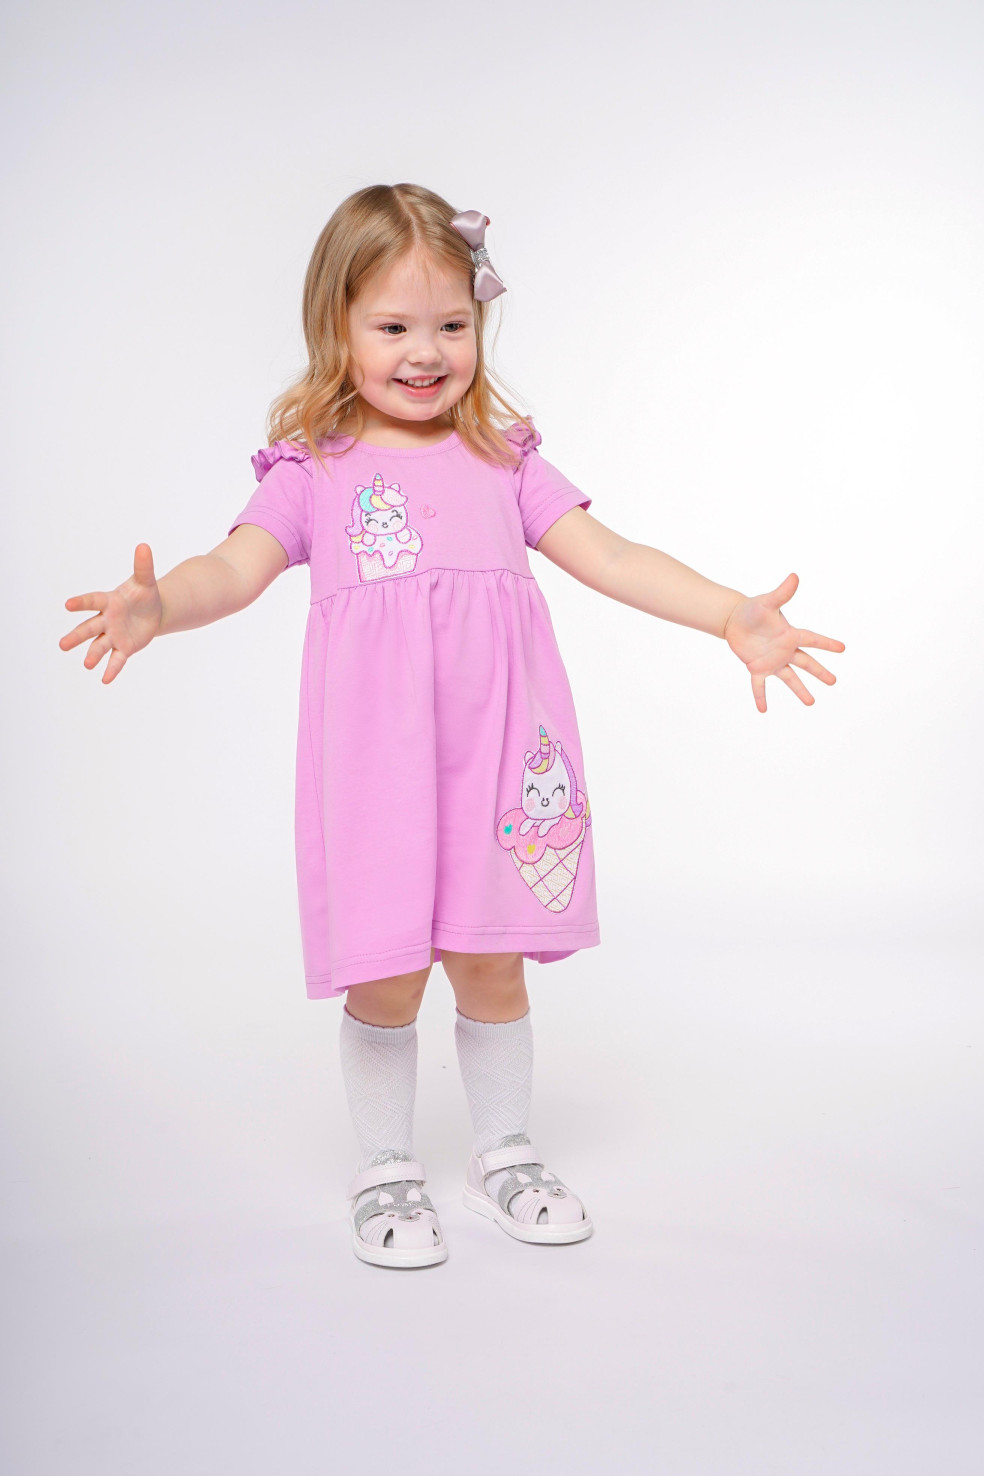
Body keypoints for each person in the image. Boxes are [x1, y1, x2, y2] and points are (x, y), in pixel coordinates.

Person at [59, 182, 845, 1269]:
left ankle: (503, 1152)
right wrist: (159, 608)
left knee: (492, 960)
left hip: (499, 764)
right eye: (392, 327)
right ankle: (385, 1166)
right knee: (387, 972)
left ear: (480, 323)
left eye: (451, 326)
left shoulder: (505, 462)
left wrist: (727, 615)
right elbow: (231, 569)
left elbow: (611, 556)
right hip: (376, 771)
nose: (425, 353)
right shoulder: (313, 472)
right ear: (336, 327)